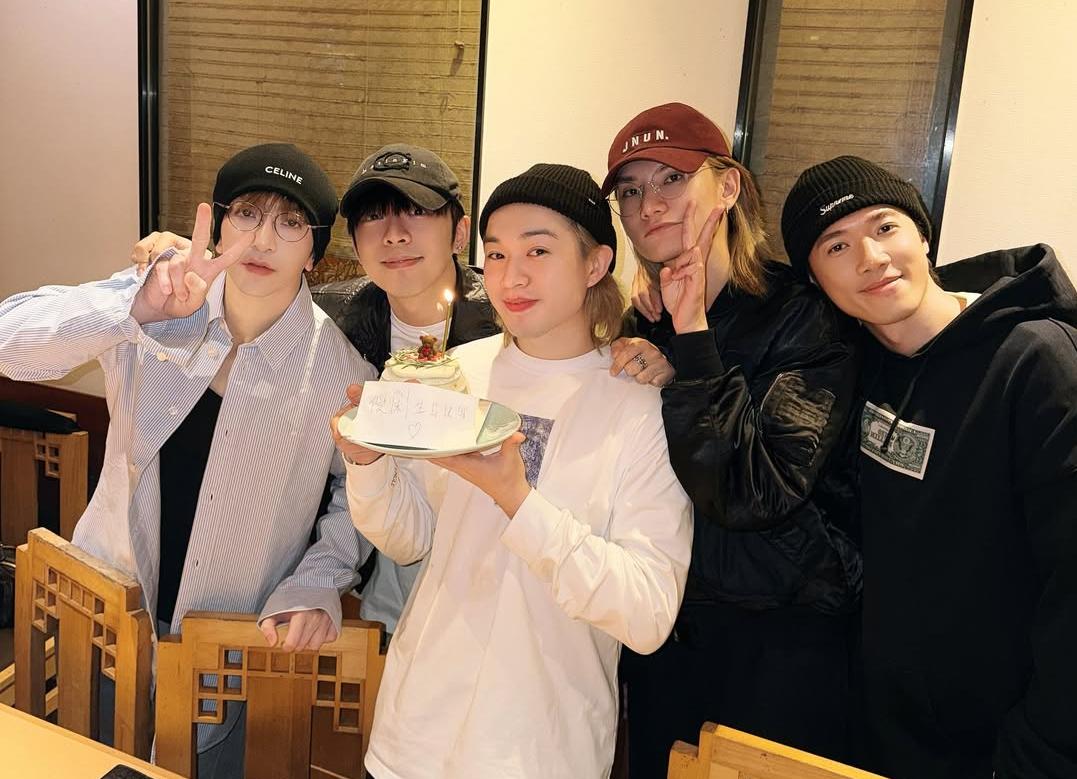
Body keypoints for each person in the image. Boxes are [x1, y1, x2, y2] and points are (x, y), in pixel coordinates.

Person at [0, 143, 377, 776]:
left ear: (315, 252)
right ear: (219, 224)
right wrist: (136, 308)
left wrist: (316, 582)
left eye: (290, 223)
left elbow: (355, 499)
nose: (262, 239)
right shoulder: (160, 300)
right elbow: (9, 342)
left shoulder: (342, 372)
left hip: (230, 649)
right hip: (108, 619)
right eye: (247, 214)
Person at [331, 163, 693, 778]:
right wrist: (366, 461)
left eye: (539, 251)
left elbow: (647, 614)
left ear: (596, 264)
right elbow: (410, 537)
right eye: (496, 254)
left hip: (541, 749)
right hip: (413, 736)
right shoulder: (456, 373)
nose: (511, 276)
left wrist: (518, 502)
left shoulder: (639, 405)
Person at [781, 155, 1077, 779]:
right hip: (879, 733)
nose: (871, 258)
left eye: (885, 227)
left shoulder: (1037, 362)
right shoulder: (856, 368)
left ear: (922, 235)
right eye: (837, 246)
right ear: (816, 281)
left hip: (1001, 749)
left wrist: (1039, 754)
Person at [133, 144, 503, 636]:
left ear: (459, 232)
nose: (394, 233)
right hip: (381, 599)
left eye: (416, 211)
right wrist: (163, 271)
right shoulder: (334, 323)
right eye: (374, 216)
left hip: (490, 593)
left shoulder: (506, 328)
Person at [602, 102, 863, 775]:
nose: (649, 205)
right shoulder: (643, 320)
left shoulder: (803, 316)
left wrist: (690, 344)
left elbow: (753, 491)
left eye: (671, 179)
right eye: (630, 191)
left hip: (780, 636)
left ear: (726, 187)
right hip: (669, 630)